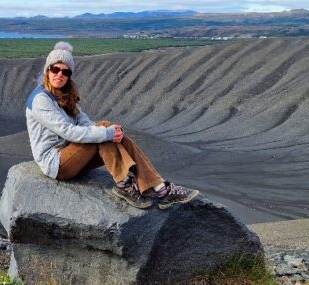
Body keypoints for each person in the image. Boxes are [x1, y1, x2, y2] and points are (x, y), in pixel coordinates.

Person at [25, 41, 200, 209]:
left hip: (70, 153)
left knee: (106, 128)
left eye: (66, 72)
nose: (59, 75)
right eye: (55, 69)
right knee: (104, 134)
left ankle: (159, 187)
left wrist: (109, 132)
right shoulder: (41, 99)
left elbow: (83, 121)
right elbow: (68, 132)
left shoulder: (63, 93)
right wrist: (106, 134)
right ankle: (132, 185)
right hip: (55, 163)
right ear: (47, 70)